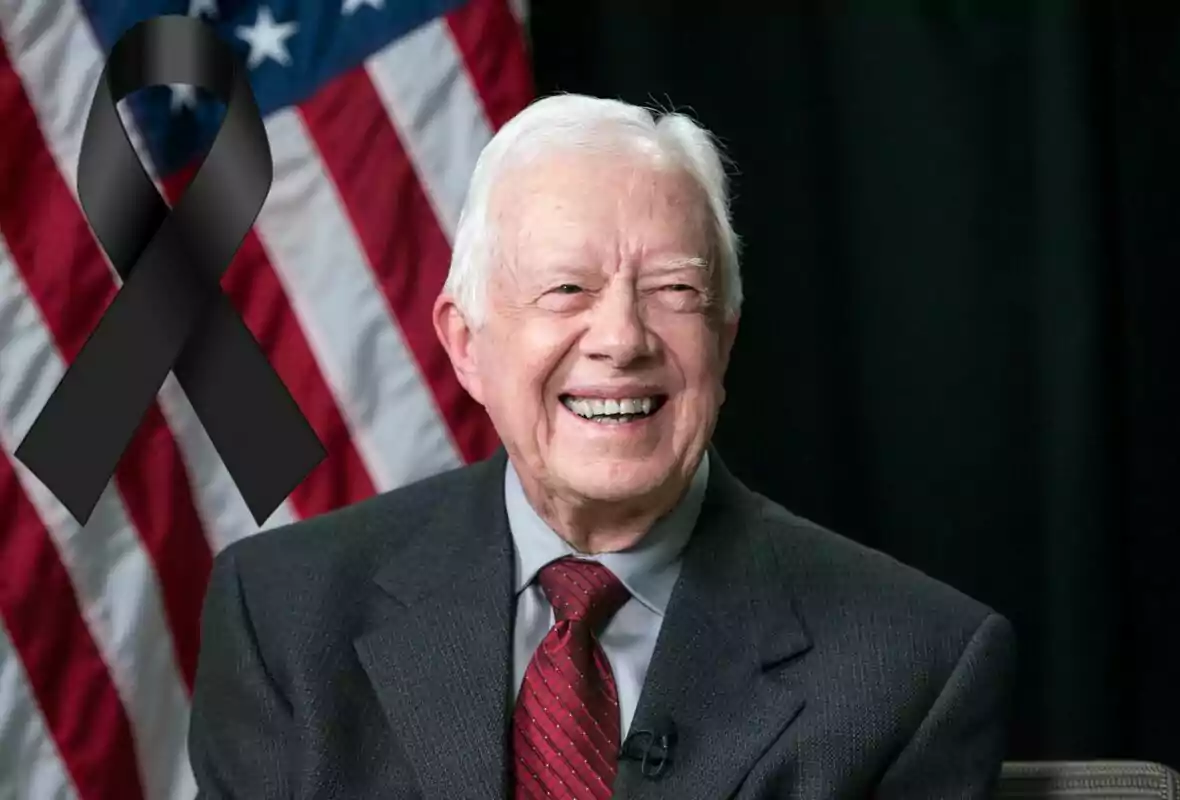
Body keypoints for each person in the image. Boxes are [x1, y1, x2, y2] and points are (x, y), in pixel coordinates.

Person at [188, 93, 1017, 799]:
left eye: (674, 291)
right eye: (566, 290)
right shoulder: (284, 619)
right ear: (467, 344)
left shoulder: (916, 666)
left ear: (722, 341)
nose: (621, 339)